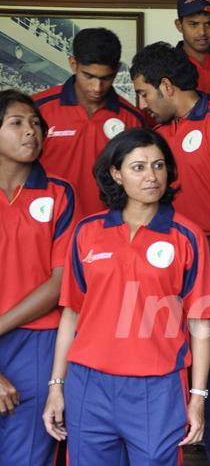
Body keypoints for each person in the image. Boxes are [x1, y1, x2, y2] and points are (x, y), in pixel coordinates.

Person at [41, 128, 210, 465]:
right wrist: (56, 385)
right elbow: (71, 314)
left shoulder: (187, 235)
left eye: (159, 165)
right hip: (88, 384)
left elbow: (200, 322)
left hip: (158, 387)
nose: (152, 176)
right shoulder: (87, 232)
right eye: (139, 167)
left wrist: (198, 397)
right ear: (116, 174)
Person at [130, 41, 210, 466]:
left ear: (166, 86)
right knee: (170, 367)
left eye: (145, 92)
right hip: (164, 271)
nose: (142, 103)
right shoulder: (155, 136)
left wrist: (204, 253)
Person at [0, 90, 76, 466]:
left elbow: (60, 281)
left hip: (37, 343)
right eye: (16, 123)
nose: (30, 131)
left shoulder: (59, 193)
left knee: (27, 455)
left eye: (35, 123)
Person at [33, 28, 144, 218]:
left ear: (116, 69)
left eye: (106, 78)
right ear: (73, 64)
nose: (97, 87)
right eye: (89, 76)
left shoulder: (133, 119)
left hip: (108, 228)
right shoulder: (37, 110)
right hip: (47, 223)